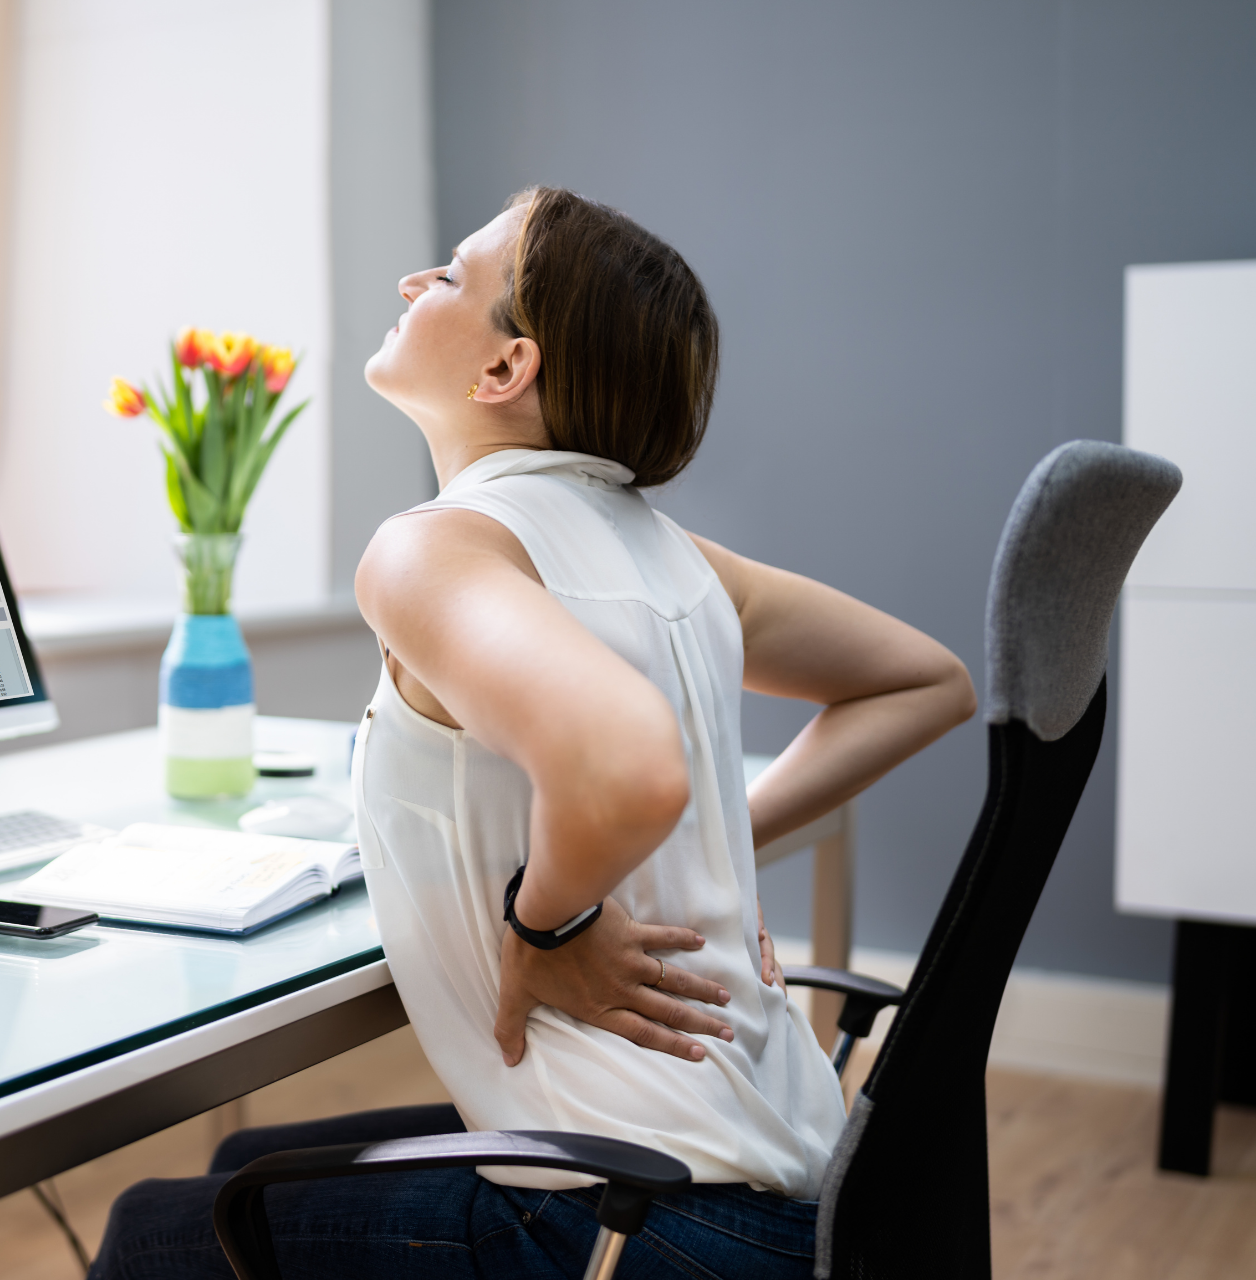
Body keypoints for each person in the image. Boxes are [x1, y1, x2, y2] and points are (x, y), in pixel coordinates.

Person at [88, 187, 977, 1279]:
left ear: (506, 370)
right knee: (251, 1156)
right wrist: (708, 842)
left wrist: (546, 925)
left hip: (638, 1227)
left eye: (453, 274)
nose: (417, 281)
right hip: (813, 1203)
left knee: (148, 1230)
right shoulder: (679, 557)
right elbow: (927, 681)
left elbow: (624, 764)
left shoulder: (432, 549)